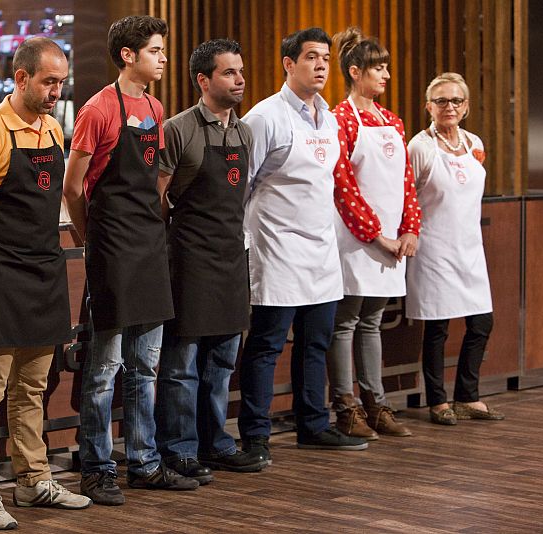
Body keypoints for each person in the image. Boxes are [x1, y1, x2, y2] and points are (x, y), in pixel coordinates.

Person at [0, 37, 91, 530]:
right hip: (0, 272)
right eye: (49, 82)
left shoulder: (53, 128)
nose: (57, 92)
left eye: (61, 82)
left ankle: (33, 479)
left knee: (33, 385)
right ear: (21, 78)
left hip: (44, 268)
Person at [63, 15, 198, 506]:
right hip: (113, 248)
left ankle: (144, 462)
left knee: (146, 366)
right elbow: (72, 187)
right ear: (128, 55)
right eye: (156, 51)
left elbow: (152, 178)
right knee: (104, 371)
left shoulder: (155, 107)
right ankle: (97, 470)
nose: (163, 59)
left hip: (149, 246)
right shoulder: (98, 109)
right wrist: (91, 238)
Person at [237, 27, 369, 462]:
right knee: (266, 345)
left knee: (316, 342)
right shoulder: (264, 117)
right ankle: (255, 435)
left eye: (326, 59)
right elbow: (241, 186)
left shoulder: (328, 117)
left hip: (320, 249)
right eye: (311, 57)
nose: (320, 66)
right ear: (288, 64)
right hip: (276, 248)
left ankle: (313, 425)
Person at [154, 39, 268, 484]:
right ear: (203, 80)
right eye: (228, 73)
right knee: (182, 365)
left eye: (240, 71)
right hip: (189, 258)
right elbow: (157, 199)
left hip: (230, 256)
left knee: (221, 361)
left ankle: (216, 443)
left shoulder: (244, 132)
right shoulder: (178, 129)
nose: (240, 80)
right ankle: (179, 449)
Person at [326, 27, 421, 440]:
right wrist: (376, 235)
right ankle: (346, 408)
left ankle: (376, 404)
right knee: (346, 322)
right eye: (378, 68)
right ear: (355, 71)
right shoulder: (341, 119)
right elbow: (342, 185)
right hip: (356, 239)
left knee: (372, 321)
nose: (386, 75)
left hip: (392, 240)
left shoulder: (393, 121)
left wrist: (410, 230)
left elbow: (406, 182)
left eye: (386, 68)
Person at [406, 72, 505, 425]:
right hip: (434, 247)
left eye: (456, 101)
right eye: (441, 101)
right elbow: (407, 196)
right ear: (429, 107)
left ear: (466, 107)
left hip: (470, 248)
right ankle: (437, 401)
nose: (449, 107)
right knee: (438, 327)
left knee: (481, 322)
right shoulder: (420, 147)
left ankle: (467, 395)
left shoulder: (474, 143)